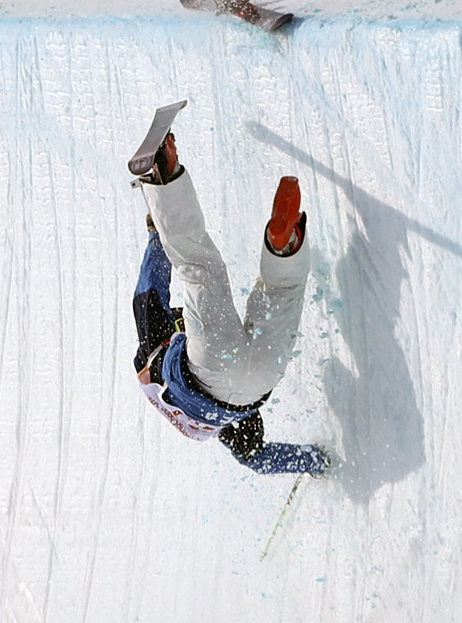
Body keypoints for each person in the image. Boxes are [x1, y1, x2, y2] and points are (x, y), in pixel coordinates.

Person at [131, 129, 329, 475]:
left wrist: (313, 461)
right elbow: (149, 292)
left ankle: (284, 246)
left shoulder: (208, 427)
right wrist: (157, 233)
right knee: (199, 268)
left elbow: (254, 456)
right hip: (210, 370)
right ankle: (161, 176)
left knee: (283, 291)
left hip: (259, 385)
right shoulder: (149, 362)